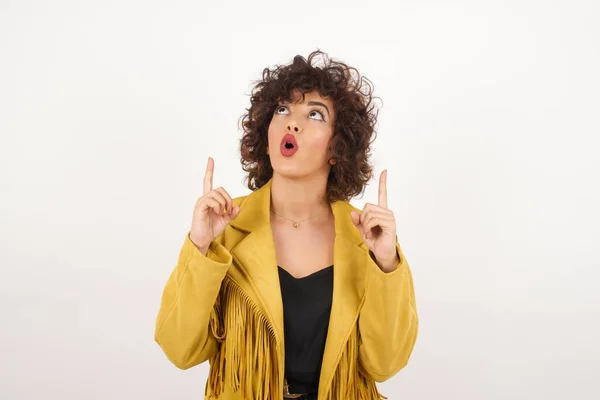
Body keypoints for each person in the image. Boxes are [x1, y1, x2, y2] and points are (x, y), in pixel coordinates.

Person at [154, 50, 418, 400]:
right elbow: (179, 350)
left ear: (338, 147)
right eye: (282, 110)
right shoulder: (226, 228)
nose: (292, 123)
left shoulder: (366, 240)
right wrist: (200, 248)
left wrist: (386, 265)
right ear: (266, 133)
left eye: (314, 114)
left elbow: (385, 364)